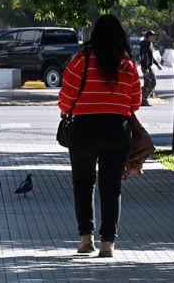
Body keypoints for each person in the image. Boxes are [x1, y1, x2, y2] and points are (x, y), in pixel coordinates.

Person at [58, 14, 142, 258]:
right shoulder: (126, 63)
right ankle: (108, 243)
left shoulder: (81, 60)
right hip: (117, 130)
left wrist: (69, 108)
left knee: (83, 183)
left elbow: (66, 96)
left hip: (84, 130)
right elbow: (135, 102)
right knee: (111, 186)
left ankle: (86, 239)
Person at [139, 30, 161, 105]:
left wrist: (157, 64)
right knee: (153, 81)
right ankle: (143, 98)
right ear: (148, 37)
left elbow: (151, 57)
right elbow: (144, 57)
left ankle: (140, 97)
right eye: (152, 36)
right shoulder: (144, 45)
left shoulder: (150, 44)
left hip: (148, 67)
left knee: (147, 83)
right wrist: (146, 68)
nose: (154, 37)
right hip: (145, 67)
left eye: (154, 36)